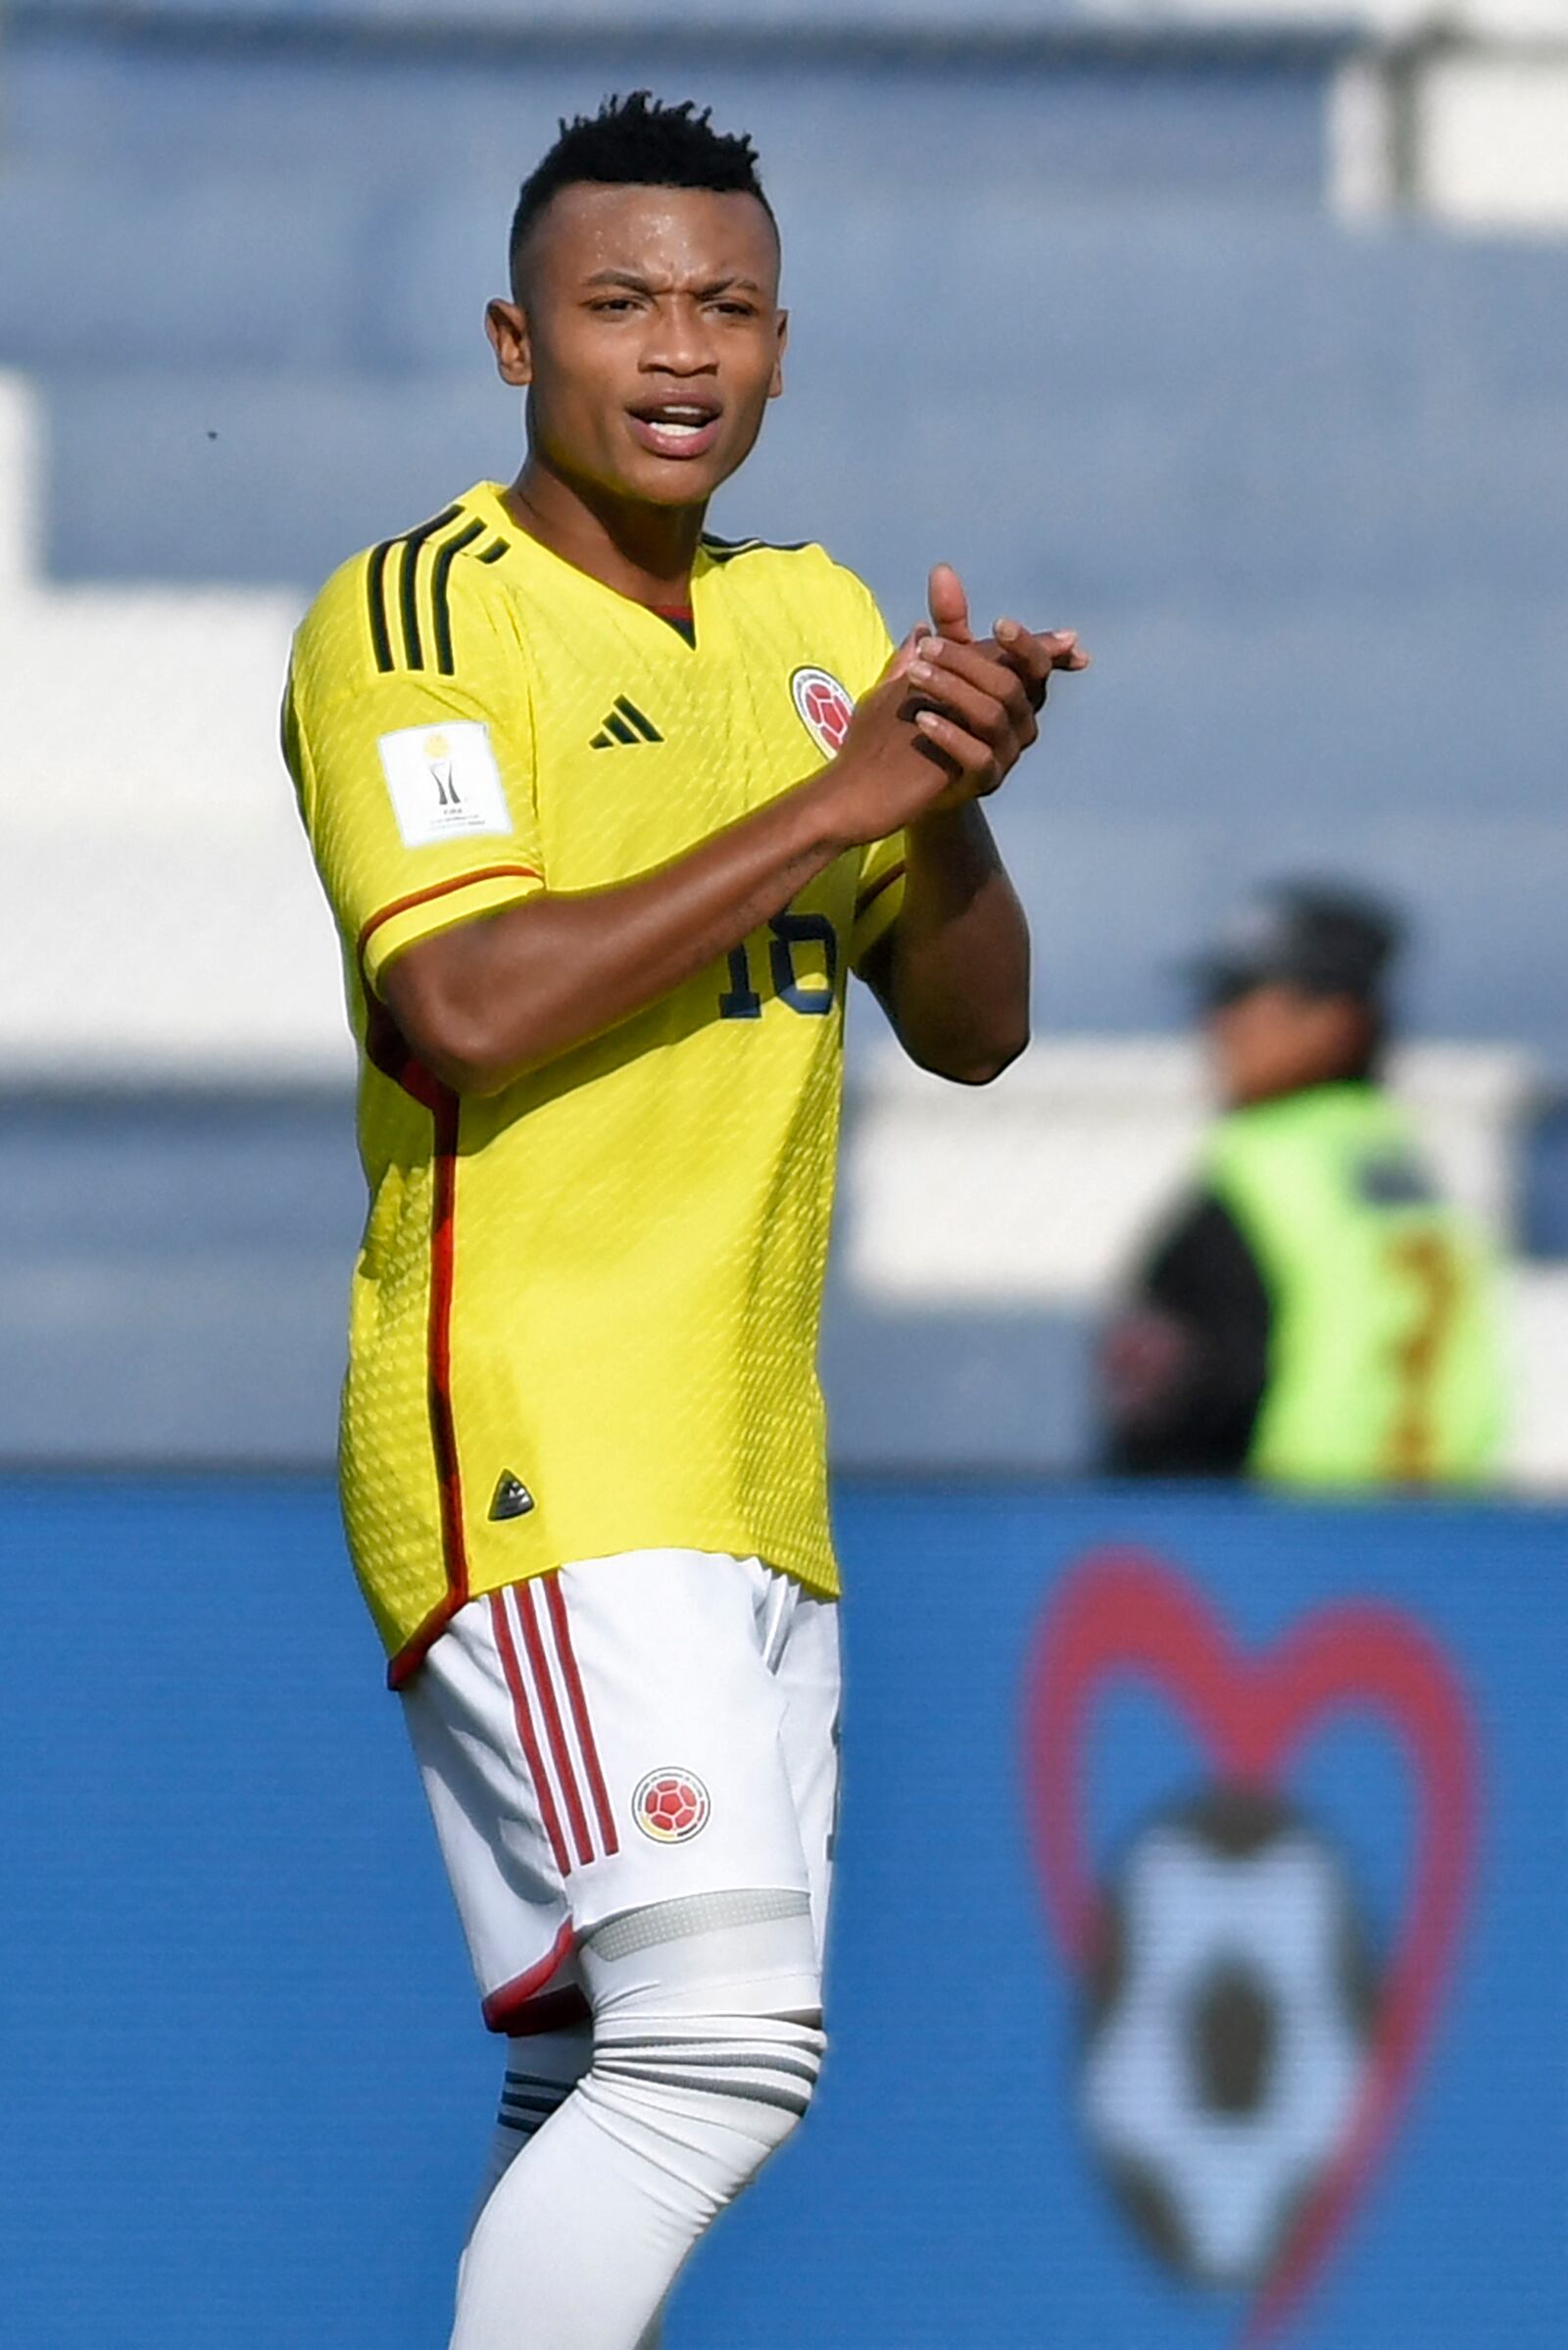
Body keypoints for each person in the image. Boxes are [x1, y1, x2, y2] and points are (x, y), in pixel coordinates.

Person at [282, 93, 1086, 2350]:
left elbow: (979, 1031)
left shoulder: (815, 618)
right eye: (619, 300)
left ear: (782, 343)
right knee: (727, 2051)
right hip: (541, 1427)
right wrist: (831, 797)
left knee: (609, 2070)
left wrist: (941, 813)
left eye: (722, 306)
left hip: (744, 1464)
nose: (676, 348)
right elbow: (456, 998)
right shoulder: (424, 610)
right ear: (509, 338)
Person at [1099, 879, 1503, 1485]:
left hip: (1288, 1553)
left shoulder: (1252, 1183)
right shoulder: (1413, 1178)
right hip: (1440, 1549)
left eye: (1243, 997)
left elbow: (1175, 1429)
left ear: (1337, 1021)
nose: (1214, 1023)